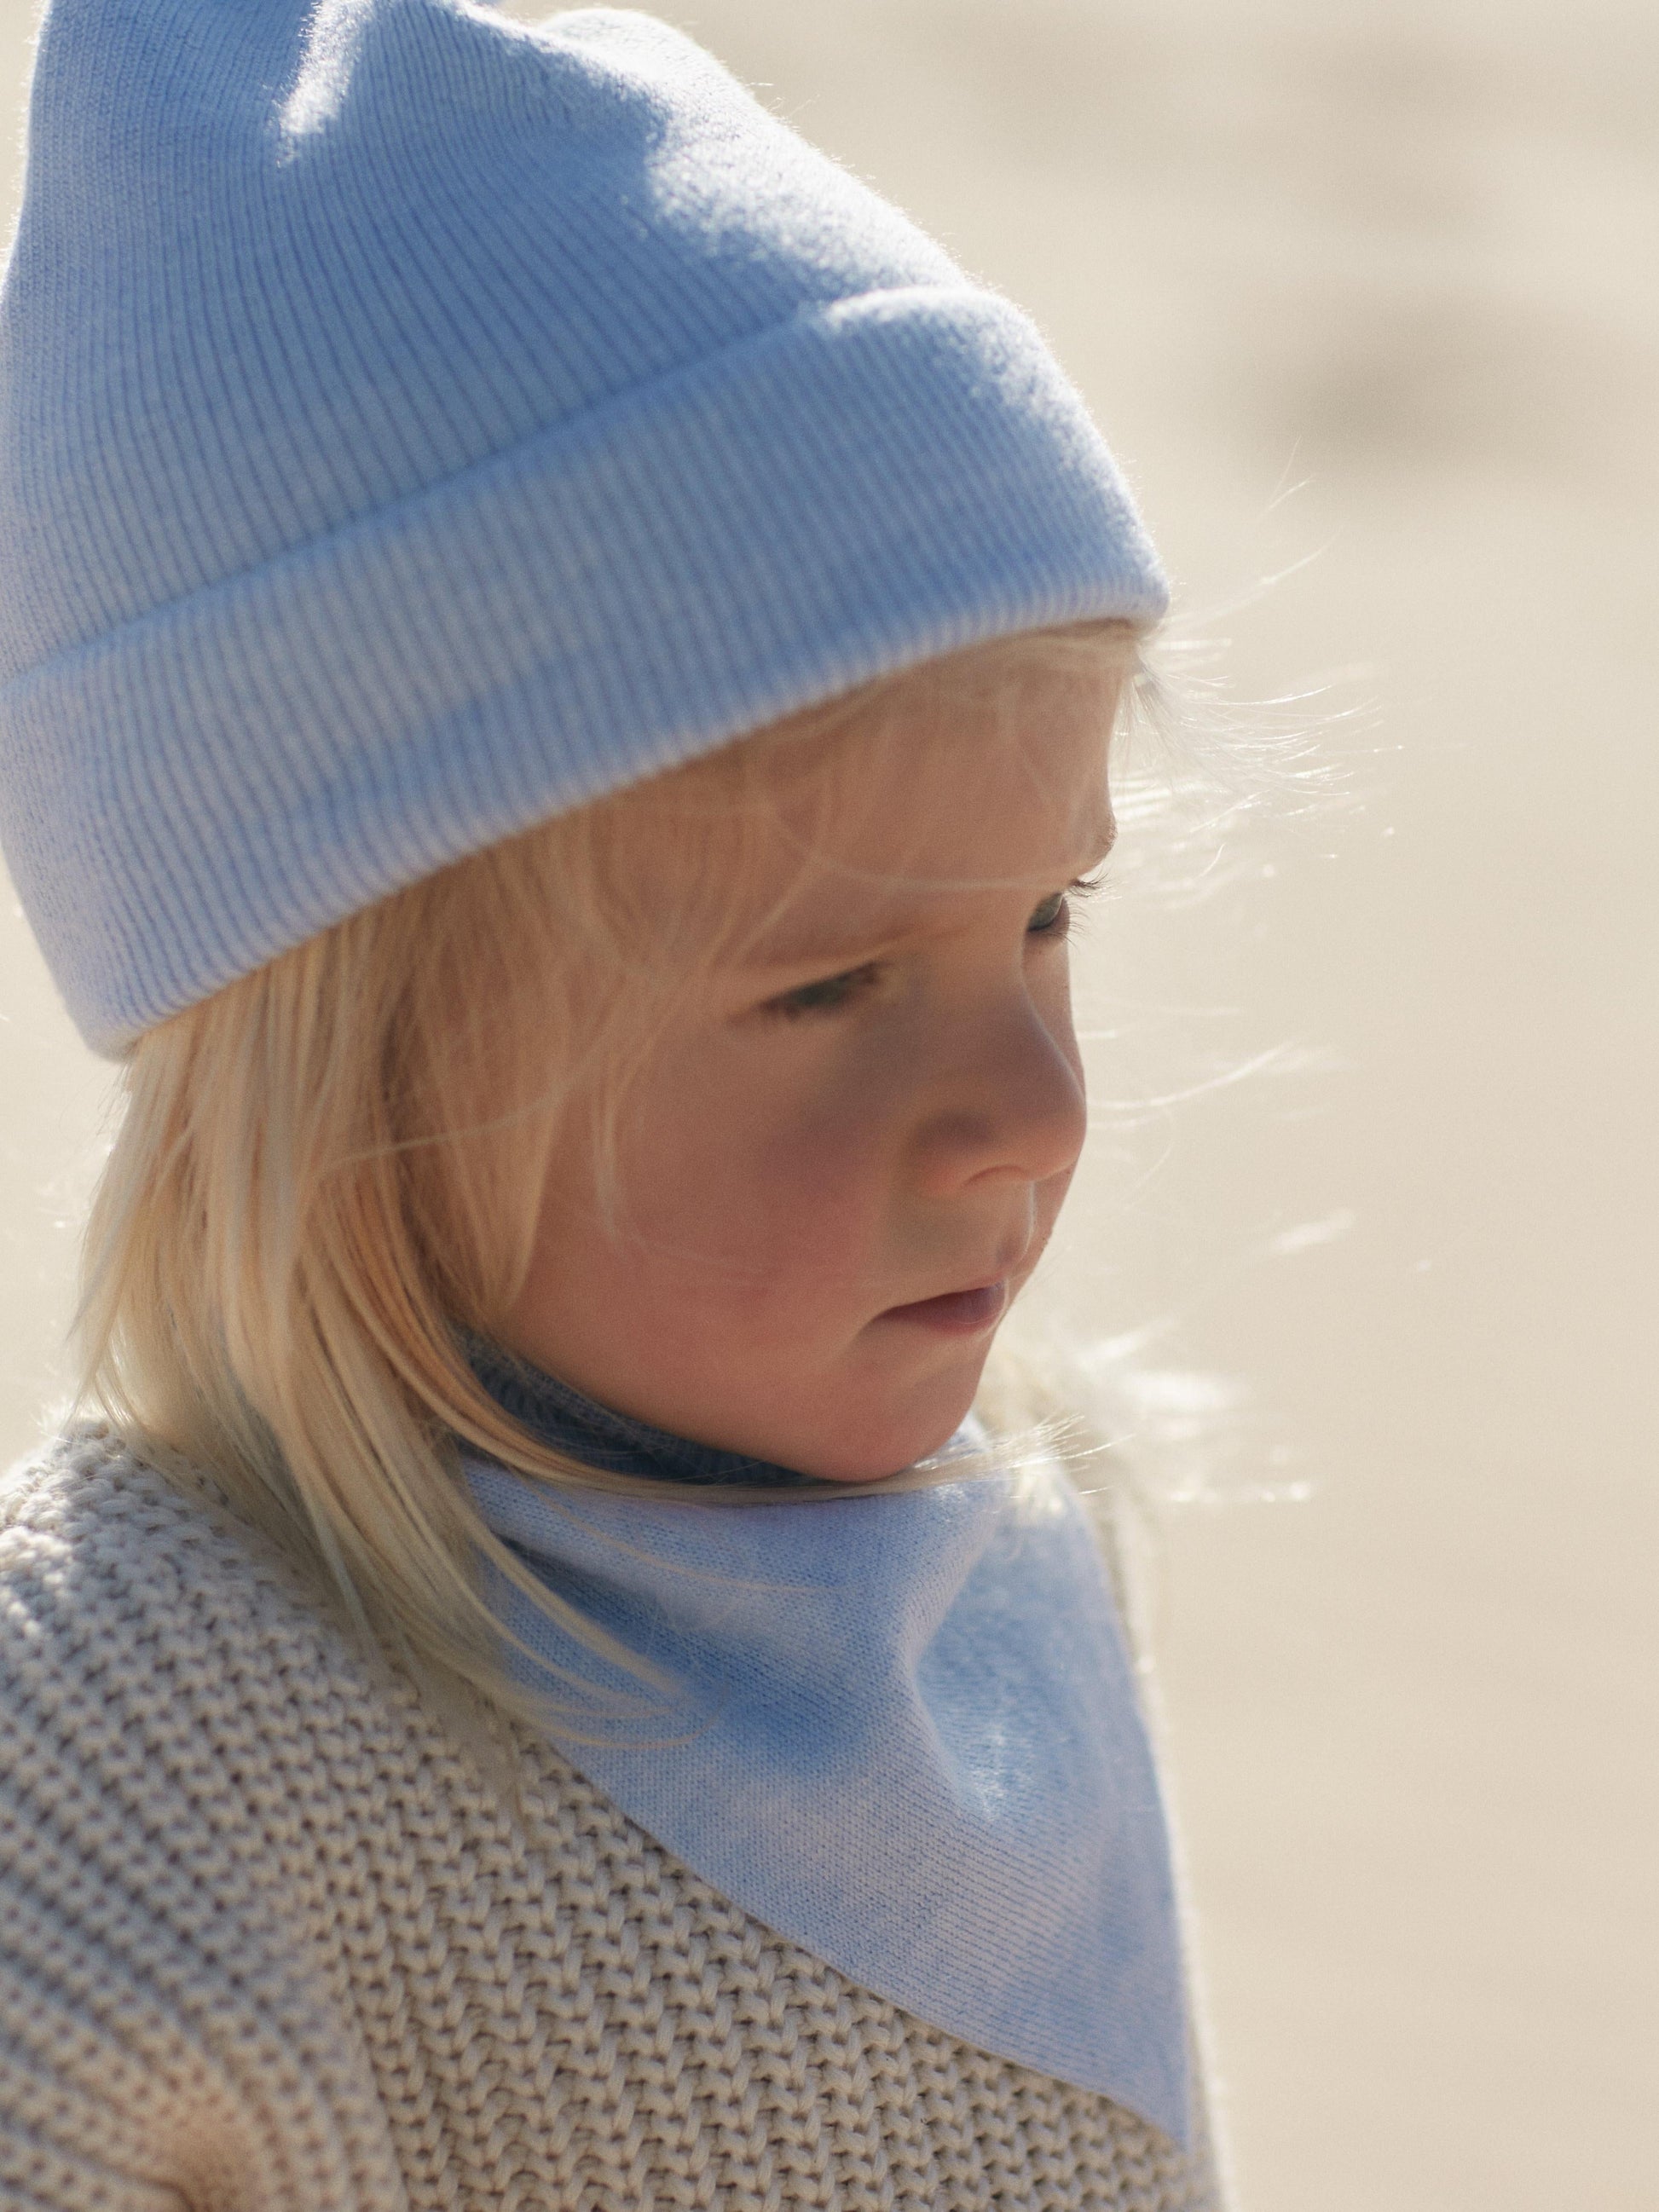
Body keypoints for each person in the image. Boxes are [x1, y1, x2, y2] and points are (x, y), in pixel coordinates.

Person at [0, 3, 1225, 2206]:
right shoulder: (116, 1757)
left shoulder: (1015, 1559)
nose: (1025, 1114)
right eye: (830, 983)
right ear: (339, 1077)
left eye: (1045, 919)